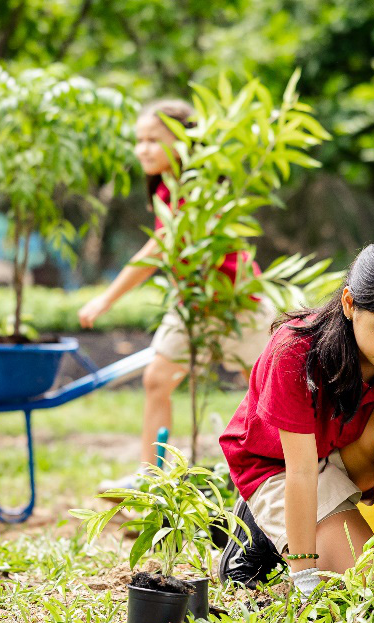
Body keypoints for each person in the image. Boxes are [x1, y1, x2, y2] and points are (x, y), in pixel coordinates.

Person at [216, 232, 374, 605]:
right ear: (350, 303)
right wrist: (304, 577)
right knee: (367, 585)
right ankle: (258, 531)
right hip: (279, 467)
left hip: (344, 452)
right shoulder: (295, 351)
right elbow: (301, 472)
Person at [79, 99, 275, 493]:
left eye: (154, 140)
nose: (143, 149)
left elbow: (158, 249)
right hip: (193, 304)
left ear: (184, 141)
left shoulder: (198, 185)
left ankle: (271, 475)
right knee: (157, 380)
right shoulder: (166, 186)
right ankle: (150, 479)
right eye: (139, 140)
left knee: (262, 390)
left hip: (236, 301)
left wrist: (106, 299)